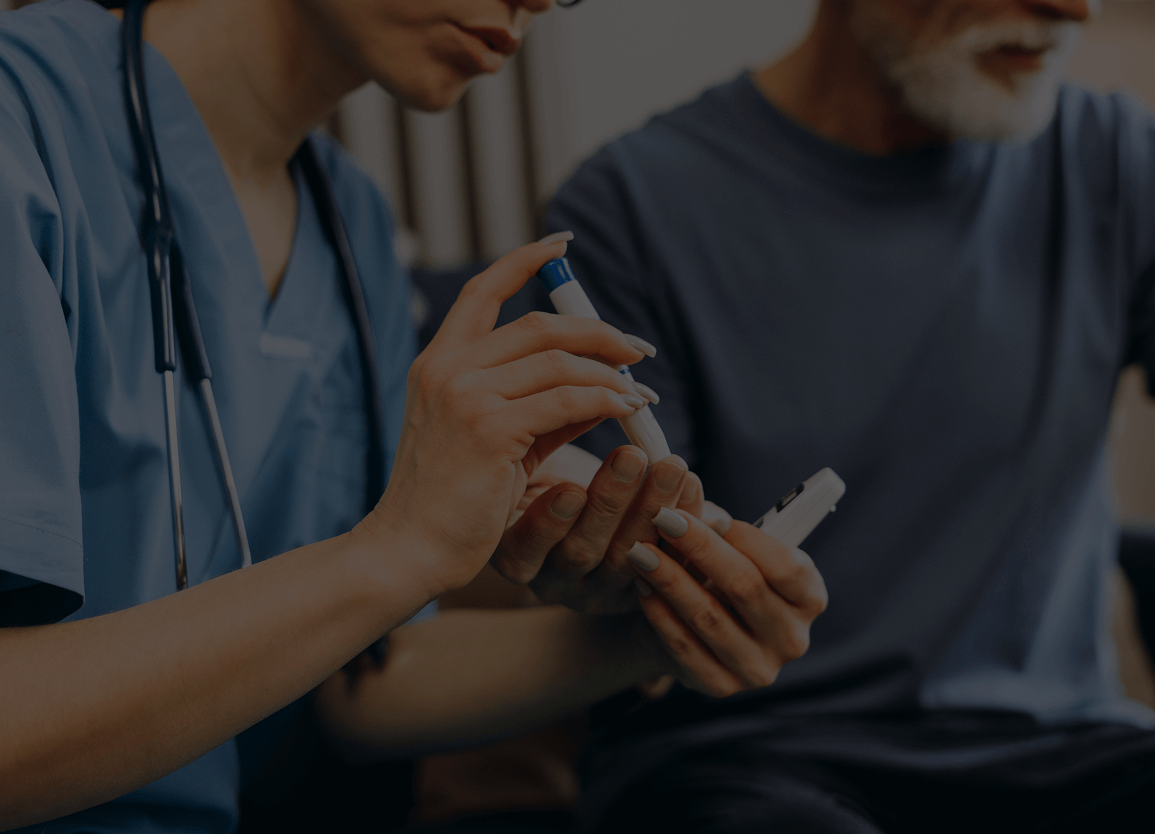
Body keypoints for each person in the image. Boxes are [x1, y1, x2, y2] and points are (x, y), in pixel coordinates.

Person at [500, 0, 1155, 830]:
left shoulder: (1119, 160)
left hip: (1069, 747)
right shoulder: (628, 207)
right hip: (743, 758)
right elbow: (588, 540)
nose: (1075, 8)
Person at [0, 0, 825, 831]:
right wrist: (401, 549)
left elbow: (361, 685)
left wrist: (652, 637)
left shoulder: (349, 224)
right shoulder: (22, 123)